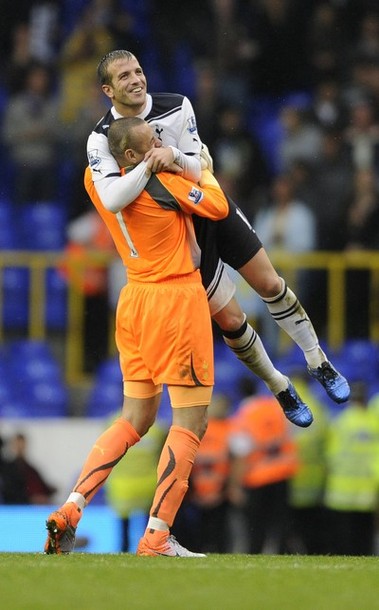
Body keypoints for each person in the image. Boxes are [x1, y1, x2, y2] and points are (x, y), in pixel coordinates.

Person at [85, 49, 350, 425]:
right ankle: (279, 386)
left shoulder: (177, 106)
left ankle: (318, 360)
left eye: (139, 71)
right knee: (230, 320)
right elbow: (111, 199)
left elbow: (199, 166)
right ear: (108, 90)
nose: (136, 80)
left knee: (270, 282)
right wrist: (149, 165)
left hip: (209, 205)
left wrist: (173, 155)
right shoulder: (99, 140)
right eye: (124, 76)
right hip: (178, 234)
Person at [44, 116, 230, 557]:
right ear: (131, 155)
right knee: (190, 423)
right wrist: (200, 164)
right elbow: (218, 206)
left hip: (133, 301)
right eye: (152, 142)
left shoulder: (97, 183)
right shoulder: (162, 183)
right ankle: (157, 535)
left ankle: (72, 507)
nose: (161, 146)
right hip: (175, 301)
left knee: (134, 419)